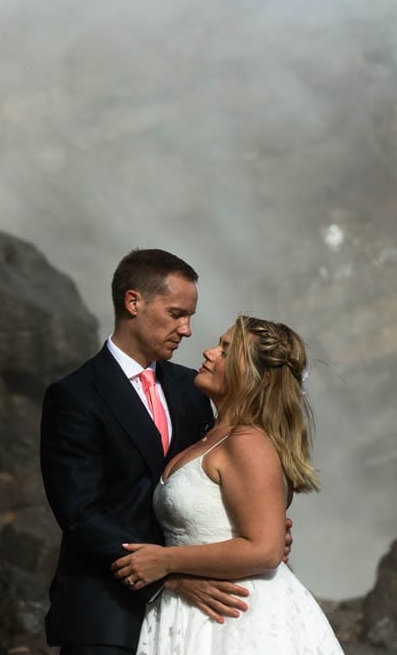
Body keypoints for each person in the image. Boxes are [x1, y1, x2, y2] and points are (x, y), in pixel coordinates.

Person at [40, 249, 255, 654]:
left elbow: (223, 468)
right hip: (106, 613)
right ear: (133, 302)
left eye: (189, 316)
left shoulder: (192, 389)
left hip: (193, 615)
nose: (188, 330)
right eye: (176, 314)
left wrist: (262, 524)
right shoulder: (74, 395)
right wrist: (167, 576)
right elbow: (80, 512)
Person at [113, 315, 344, 655]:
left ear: (258, 379)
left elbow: (264, 550)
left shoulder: (247, 442)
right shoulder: (210, 434)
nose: (208, 352)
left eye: (226, 350)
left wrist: (166, 561)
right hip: (192, 609)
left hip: (235, 617)